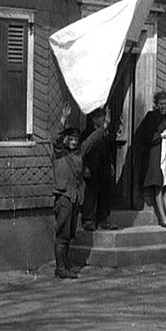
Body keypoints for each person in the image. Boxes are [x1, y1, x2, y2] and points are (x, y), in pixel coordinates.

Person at [51, 103, 85, 279]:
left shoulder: (78, 155)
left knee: (70, 233)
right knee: (62, 234)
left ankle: (65, 265)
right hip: (63, 198)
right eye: (70, 139)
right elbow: (56, 138)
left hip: (75, 198)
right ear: (65, 140)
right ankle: (60, 268)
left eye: (75, 140)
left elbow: (80, 178)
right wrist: (63, 119)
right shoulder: (59, 152)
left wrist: (103, 129)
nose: (73, 142)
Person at [139, 91, 166, 228]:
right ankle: (162, 218)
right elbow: (145, 136)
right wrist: (161, 135)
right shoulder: (151, 117)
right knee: (158, 184)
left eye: (165, 104)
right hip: (156, 153)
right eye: (160, 104)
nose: (163, 106)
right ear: (156, 105)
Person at [80, 106, 119, 231]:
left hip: (103, 168)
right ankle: (88, 220)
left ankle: (103, 219)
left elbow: (107, 150)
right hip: (92, 169)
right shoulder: (87, 133)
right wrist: (84, 166)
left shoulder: (105, 134)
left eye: (103, 116)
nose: (103, 119)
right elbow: (82, 151)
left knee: (104, 194)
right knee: (91, 194)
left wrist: (111, 164)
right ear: (93, 119)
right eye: (100, 117)